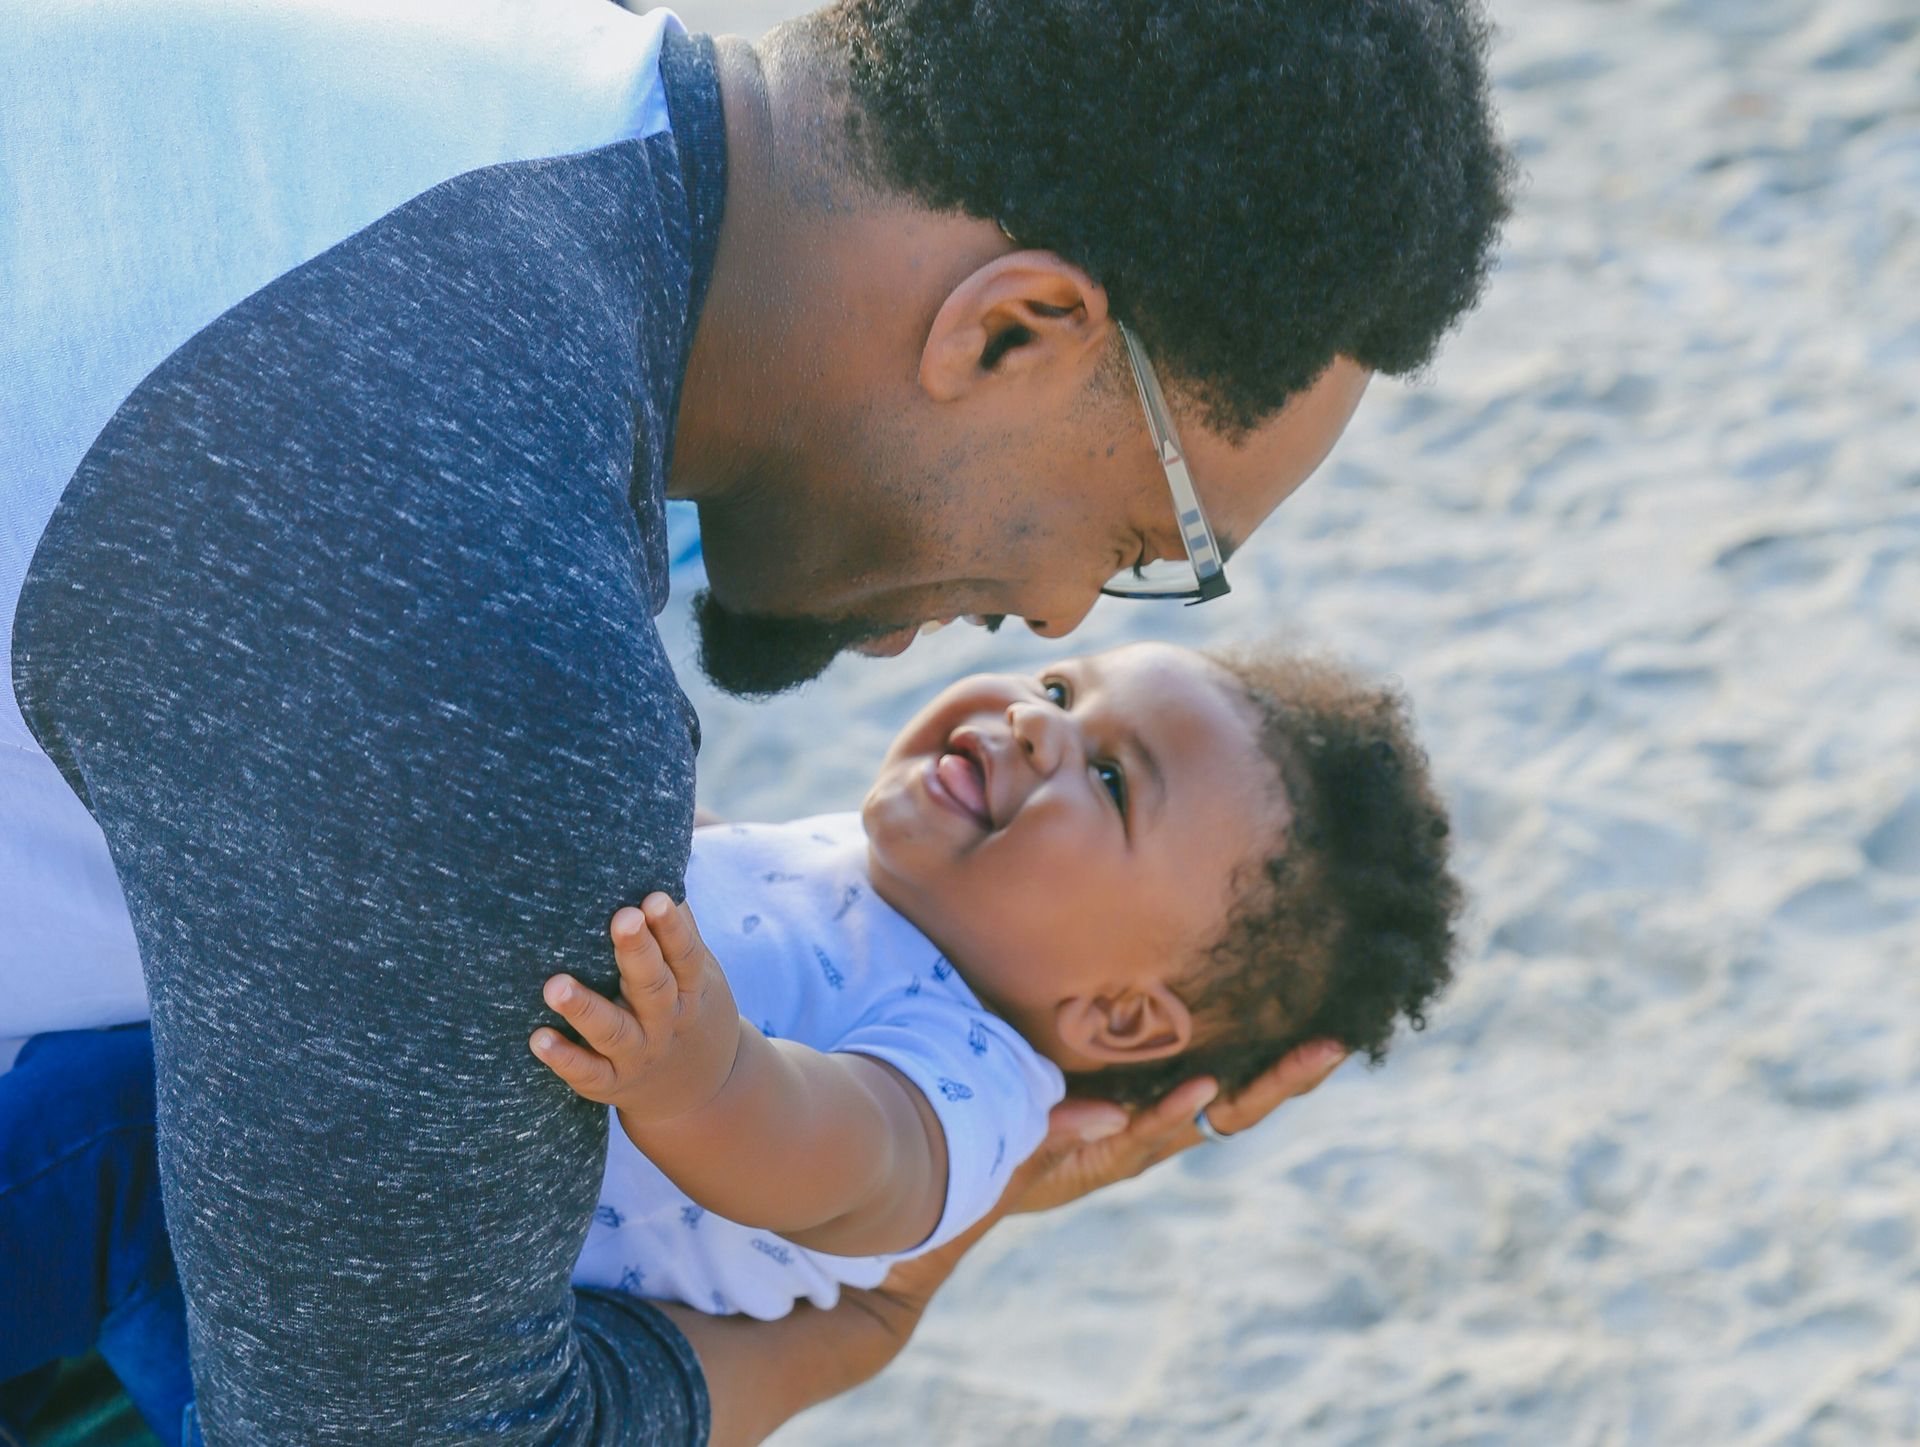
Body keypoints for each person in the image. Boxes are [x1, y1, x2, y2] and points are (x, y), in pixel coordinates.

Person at [0, 0, 1510, 1439]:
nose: (1059, 618)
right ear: (1010, 332)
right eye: (1142, 539)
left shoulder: (483, 75)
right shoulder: (485, 639)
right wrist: (874, 1314)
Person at [1, 643, 1459, 1442]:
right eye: (1066, 688)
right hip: (322, 1167)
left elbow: (847, 1161)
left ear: (1122, 1019)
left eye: (1110, 776)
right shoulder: (856, 866)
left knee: (98, 1140)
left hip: (409, 1300)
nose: (1031, 721)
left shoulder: (976, 1084)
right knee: (96, 1117)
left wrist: (710, 1080)